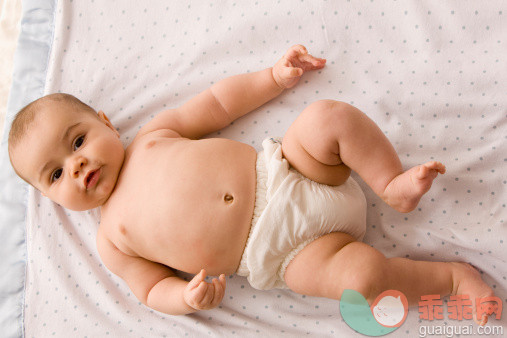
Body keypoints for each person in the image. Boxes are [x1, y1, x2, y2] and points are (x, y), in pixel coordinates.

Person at [8, 45, 494, 324]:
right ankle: (449, 279)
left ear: (106, 122)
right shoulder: (112, 239)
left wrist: (273, 78)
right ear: (50, 198)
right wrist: (185, 299)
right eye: (54, 175)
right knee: (363, 280)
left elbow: (219, 104)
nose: (75, 166)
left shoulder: (153, 137)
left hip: (288, 170)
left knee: (325, 118)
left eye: (77, 141)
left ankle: (391, 185)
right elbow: (150, 289)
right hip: (284, 255)